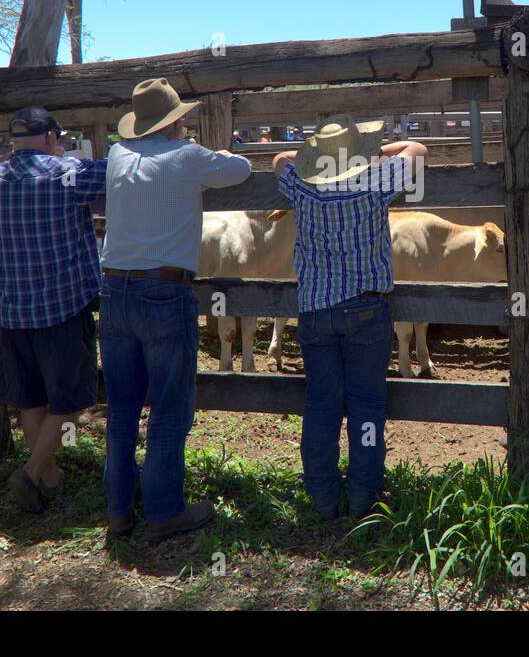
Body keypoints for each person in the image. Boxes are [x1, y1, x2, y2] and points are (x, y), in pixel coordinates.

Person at [99, 78, 252, 540]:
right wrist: (219, 153)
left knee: (123, 405)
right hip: (164, 291)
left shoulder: (116, 156)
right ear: (176, 122)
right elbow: (241, 169)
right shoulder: (187, 157)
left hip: (114, 290)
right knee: (168, 405)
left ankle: (119, 508)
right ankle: (164, 510)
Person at [272, 116, 427, 521]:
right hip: (366, 309)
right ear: (358, 155)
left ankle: (323, 499)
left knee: (321, 405)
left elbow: (280, 158)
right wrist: (381, 152)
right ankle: (363, 499)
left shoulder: (300, 186)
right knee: (366, 407)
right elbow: (418, 151)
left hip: (316, 310)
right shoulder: (375, 182)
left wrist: (304, 157)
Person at [0, 106, 106, 514]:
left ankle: (47, 477)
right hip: (61, 305)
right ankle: (30, 471)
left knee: (32, 398)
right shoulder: (64, 175)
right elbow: (112, 173)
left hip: (15, 309)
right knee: (70, 399)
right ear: (52, 137)